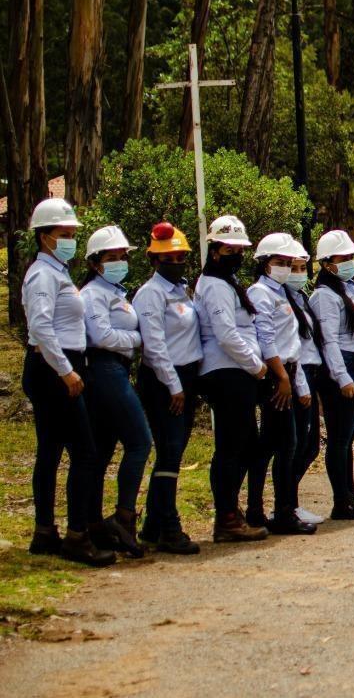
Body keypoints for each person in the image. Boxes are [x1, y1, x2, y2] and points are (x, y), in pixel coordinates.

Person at [22, 198, 114, 566]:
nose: (70, 240)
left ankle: (45, 531)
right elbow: (41, 327)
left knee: (50, 450)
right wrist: (66, 370)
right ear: (44, 237)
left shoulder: (55, 271)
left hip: (55, 365)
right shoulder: (43, 275)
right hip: (54, 367)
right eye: (64, 234)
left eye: (73, 234)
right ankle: (77, 535)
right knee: (85, 453)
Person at [196, 215, 270, 543]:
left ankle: (231, 510)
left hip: (237, 371)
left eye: (240, 249)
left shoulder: (226, 282)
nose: (236, 254)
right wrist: (257, 366)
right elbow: (226, 334)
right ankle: (226, 516)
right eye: (230, 249)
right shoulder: (213, 286)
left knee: (245, 444)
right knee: (231, 445)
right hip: (226, 372)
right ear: (214, 251)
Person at [80, 225, 152, 558]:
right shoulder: (93, 294)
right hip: (104, 369)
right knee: (140, 440)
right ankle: (124, 516)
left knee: (102, 450)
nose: (120, 261)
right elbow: (102, 337)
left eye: (123, 256)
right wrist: (138, 341)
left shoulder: (117, 293)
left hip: (117, 368)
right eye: (112, 257)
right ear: (96, 263)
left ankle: (94, 522)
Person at [134, 222, 202, 554]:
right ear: (153, 260)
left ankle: (152, 526)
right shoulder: (151, 293)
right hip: (164, 381)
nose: (175, 262)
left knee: (171, 452)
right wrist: (174, 386)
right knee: (170, 451)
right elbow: (154, 345)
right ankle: (169, 526)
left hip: (186, 379)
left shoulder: (181, 291)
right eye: (168, 258)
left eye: (179, 256)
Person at [245, 233, 315, 536]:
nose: (286, 267)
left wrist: (299, 383)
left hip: (287, 371)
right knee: (282, 445)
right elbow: (266, 338)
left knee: (276, 445)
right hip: (276, 375)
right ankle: (277, 511)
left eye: (288, 263)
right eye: (279, 262)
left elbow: (293, 343)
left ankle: (264, 510)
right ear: (264, 263)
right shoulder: (261, 293)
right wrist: (283, 378)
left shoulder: (283, 293)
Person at [310, 229, 354, 521]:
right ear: (327, 263)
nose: (350, 262)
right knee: (339, 439)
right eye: (344, 258)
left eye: (352, 257)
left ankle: (350, 493)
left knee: (348, 438)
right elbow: (328, 340)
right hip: (341, 367)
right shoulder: (324, 296)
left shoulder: (349, 289)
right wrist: (343, 378)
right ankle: (341, 501)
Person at [283, 240, 326, 526]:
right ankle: (285, 505)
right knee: (295, 444)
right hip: (298, 376)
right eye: (292, 268)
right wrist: (300, 384)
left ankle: (290, 503)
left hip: (311, 373)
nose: (299, 273)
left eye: (302, 267)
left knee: (310, 446)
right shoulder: (280, 300)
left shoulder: (301, 298)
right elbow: (289, 345)